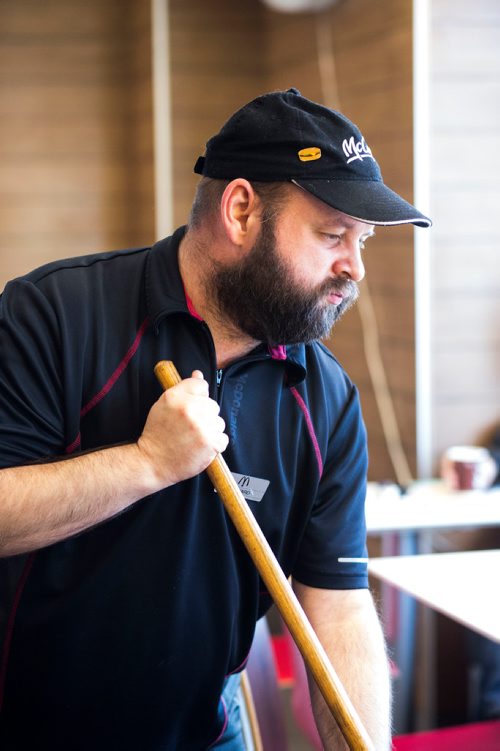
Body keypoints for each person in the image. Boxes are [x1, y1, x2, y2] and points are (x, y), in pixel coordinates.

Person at [0, 88, 431, 750]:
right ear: (240, 210)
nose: (355, 267)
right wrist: (145, 464)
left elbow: (338, 606)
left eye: (363, 240)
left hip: (206, 731)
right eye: (332, 234)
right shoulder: (53, 316)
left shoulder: (327, 401)